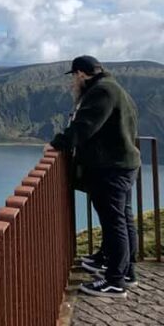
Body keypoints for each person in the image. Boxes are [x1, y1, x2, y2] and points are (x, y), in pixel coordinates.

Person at [50, 55, 141, 299]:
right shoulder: (112, 87)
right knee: (122, 218)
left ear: (80, 74)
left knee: (115, 222)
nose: (73, 84)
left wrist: (57, 144)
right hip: (123, 164)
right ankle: (125, 270)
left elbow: (84, 126)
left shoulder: (101, 92)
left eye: (73, 78)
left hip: (112, 169)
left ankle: (115, 281)